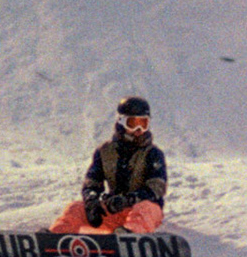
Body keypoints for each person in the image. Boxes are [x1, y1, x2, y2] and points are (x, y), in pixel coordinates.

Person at [49, 95, 168, 235]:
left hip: (143, 211)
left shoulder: (153, 153)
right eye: (133, 123)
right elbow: (92, 181)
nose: (139, 129)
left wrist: (129, 199)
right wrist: (92, 201)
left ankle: (130, 236)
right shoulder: (105, 151)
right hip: (114, 209)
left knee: (146, 208)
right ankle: (56, 236)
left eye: (143, 124)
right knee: (76, 208)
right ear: (121, 122)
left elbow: (157, 187)